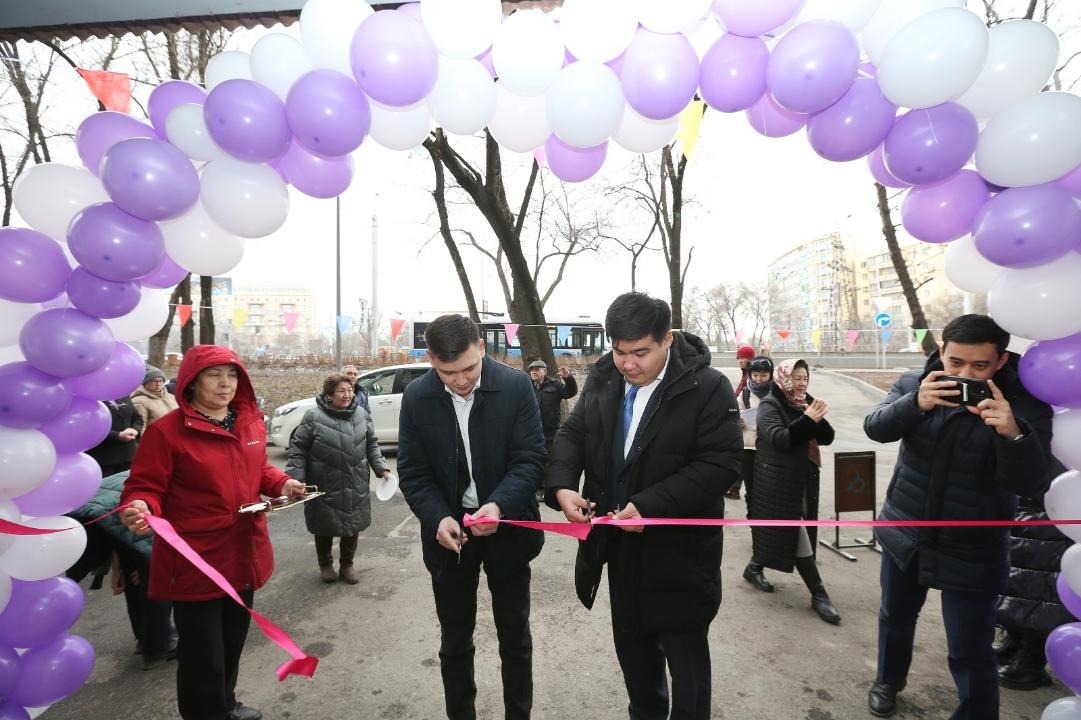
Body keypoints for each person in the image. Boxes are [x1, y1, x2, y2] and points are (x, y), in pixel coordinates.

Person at [546, 292, 742, 720]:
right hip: (620, 553)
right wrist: (561, 486)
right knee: (637, 667)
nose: (628, 364)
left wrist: (651, 506)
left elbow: (722, 463)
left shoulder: (707, 387)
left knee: (688, 677)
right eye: (619, 351)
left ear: (667, 339)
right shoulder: (604, 378)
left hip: (681, 559)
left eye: (640, 353)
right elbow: (573, 433)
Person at [863, 314, 1052, 719]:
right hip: (906, 529)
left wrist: (1013, 435)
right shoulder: (915, 383)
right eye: (955, 362)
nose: (965, 374)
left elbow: (1033, 484)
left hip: (974, 545)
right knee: (895, 618)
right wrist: (914, 404)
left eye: (980, 366)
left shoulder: (1024, 404)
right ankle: (887, 681)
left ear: (1001, 360)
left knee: (969, 647)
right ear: (941, 352)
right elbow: (875, 428)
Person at [120, 345, 306, 720]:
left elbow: (258, 470)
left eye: (232, 375)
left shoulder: (248, 423)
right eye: (214, 375)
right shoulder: (166, 432)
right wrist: (139, 506)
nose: (226, 384)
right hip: (196, 561)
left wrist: (282, 483)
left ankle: (225, 704)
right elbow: (145, 486)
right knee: (203, 656)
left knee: (232, 641)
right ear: (191, 381)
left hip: (243, 553)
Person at [397, 314, 545, 720]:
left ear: (481, 348)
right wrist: (437, 518)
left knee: (515, 637)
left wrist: (499, 504)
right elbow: (413, 472)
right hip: (451, 534)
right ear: (431, 359)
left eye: (468, 369)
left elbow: (531, 459)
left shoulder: (515, 386)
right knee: (455, 641)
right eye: (448, 373)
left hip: (507, 526)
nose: (460, 381)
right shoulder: (417, 397)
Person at [744, 359, 840, 625]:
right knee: (795, 532)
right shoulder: (769, 405)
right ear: (784, 378)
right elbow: (779, 438)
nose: (802, 383)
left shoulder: (802, 402)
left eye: (805, 378)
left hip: (805, 477)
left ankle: (754, 566)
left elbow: (827, 437)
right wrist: (808, 421)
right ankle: (818, 593)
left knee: (784, 531)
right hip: (776, 481)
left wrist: (815, 418)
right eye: (797, 378)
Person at [286, 373, 391, 585]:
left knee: (352, 525)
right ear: (329, 394)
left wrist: (382, 468)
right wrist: (296, 478)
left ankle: (347, 565)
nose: (347, 395)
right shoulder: (313, 416)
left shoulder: (360, 414)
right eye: (341, 391)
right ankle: (325, 564)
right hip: (324, 482)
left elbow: (371, 443)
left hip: (355, 480)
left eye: (350, 390)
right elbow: (298, 449)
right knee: (324, 525)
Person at [68, 470, 175, 671]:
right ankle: (157, 646)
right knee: (156, 577)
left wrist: (124, 569)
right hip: (131, 511)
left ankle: (146, 639)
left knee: (140, 576)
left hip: (111, 509)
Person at [994, 457, 1074, 691]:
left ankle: (1032, 657)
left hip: (1063, 493)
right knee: (1021, 569)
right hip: (1035, 483)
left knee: (1042, 581)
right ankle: (1015, 639)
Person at [739, 355, 776, 591]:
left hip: (772, 451)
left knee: (770, 496)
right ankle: (756, 531)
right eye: (755, 375)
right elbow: (735, 417)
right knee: (753, 494)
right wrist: (739, 421)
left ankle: (765, 535)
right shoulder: (744, 395)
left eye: (764, 375)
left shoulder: (778, 393)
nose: (759, 379)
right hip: (749, 450)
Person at [726, 345, 758, 499]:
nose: (740, 360)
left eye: (743, 358)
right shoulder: (745, 374)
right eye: (738, 358)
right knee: (743, 455)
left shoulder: (751, 376)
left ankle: (735, 488)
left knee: (744, 455)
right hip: (744, 418)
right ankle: (735, 487)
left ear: (750, 359)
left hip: (750, 421)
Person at [527, 359, 578, 452]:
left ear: (545, 371)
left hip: (551, 434)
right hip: (532, 433)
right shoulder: (527, 386)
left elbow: (570, 393)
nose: (534, 372)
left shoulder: (555, 385)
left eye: (537, 369)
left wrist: (568, 378)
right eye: (532, 370)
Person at [88, 396, 143, 478]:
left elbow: (137, 418)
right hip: (104, 457)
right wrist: (117, 435)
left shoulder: (123, 395)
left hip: (128, 455)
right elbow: (89, 427)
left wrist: (135, 429)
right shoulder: (90, 399)